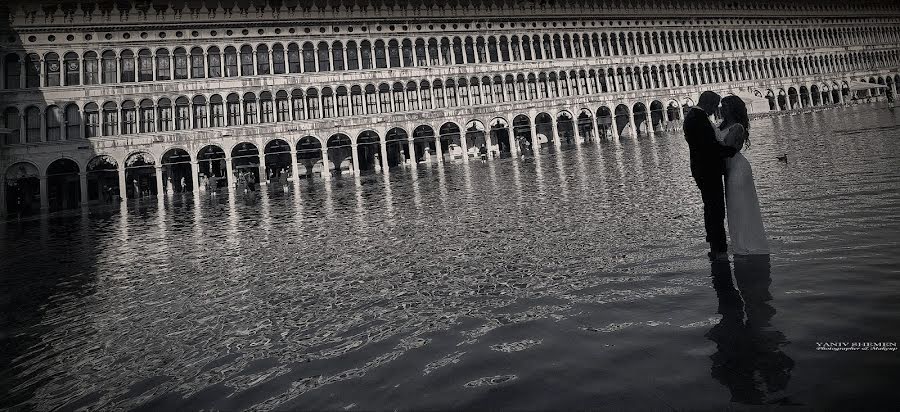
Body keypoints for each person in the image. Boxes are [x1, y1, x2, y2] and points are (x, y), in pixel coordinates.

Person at [684, 91, 736, 262]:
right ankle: (719, 249)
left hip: (703, 170)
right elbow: (709, 148)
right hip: (707, 170)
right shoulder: (698, 118)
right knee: (716, 209)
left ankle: (715, 246)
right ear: (708, 103)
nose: (715, 110)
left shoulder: (695, 115)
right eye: (715, 106)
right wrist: (731, 151)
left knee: (711, 208)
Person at [715, 96, 770, 255]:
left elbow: (728, 149)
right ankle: (740, 242)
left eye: (725, 106)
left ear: (733, 108)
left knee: (740, 205)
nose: (722, 109)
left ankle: (747, 243)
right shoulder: (724, 125)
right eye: (722, 106)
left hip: (738, 169)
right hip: (730, 169)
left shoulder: (737, 127)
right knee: (734, 206)